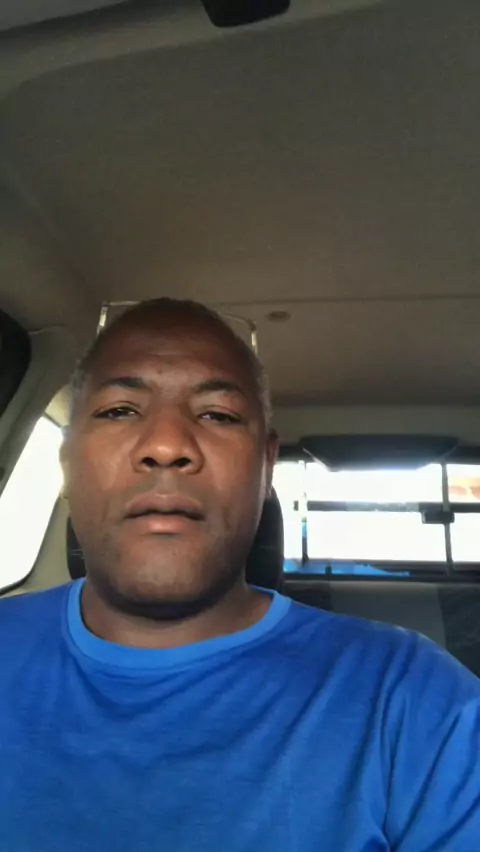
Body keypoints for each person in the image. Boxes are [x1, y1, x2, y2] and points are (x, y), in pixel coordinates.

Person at [0, 298, 479, 852]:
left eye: (218, 415)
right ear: (66, 460)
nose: (166, 446)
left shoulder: (413, 698)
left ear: (266, 465)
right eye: (120, 410)